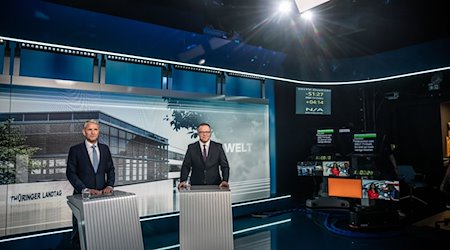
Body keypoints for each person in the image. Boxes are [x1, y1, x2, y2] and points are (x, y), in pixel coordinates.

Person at [66, 119, 115, 249]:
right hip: (82, 197)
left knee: (101, 231)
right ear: (84, 132)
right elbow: (70, 173)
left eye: (95, 129)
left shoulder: (105, 149)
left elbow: (110, 169)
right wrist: (84, 189)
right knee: (79, 233)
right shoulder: (75, 150)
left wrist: (109, 185)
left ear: (99, 132)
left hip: (102, 197)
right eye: (89, 129)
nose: (93, 132)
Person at [178, 122, 230, 189]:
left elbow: (225, 166)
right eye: (201, 132)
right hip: (196, 185)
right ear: (198, 133)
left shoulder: (218, 147)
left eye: (207, 132)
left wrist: (225, 180)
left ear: (210, 133)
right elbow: (186, 166)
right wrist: (183, 180)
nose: (204, 134)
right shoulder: (191, 148)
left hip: (215, 185)